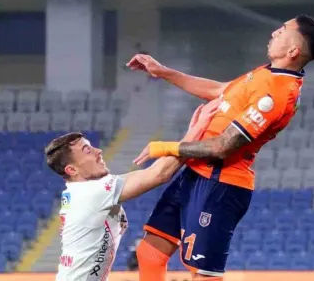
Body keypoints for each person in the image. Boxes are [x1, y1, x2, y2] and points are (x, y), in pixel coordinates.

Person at [126, 15, 314, 280]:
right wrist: (165, 72)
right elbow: (222, 91)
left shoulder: (278, 93)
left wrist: (165, 148)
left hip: (220, 184)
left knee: (204, 275)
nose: (274, 32)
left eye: (283, 30)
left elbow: (222, 147)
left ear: (293, 50)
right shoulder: (266, 73)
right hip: (196, 173)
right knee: (150, 252)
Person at [46, 98, 220, 281]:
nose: (98, 151)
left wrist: (189, 137)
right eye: (87, 150)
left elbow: (152, 173)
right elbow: (159, 174)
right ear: (72, 170)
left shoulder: (82, 192)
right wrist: (195, 132)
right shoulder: (91, 193)